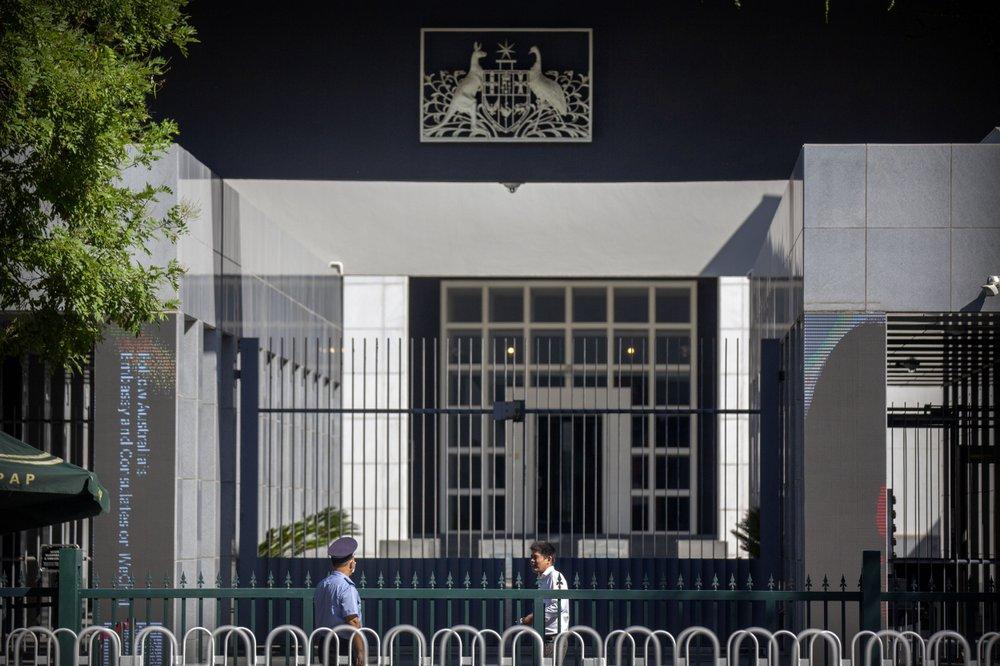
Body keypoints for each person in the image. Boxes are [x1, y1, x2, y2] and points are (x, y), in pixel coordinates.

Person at [314, 537, 365, 666]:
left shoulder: (323, 584)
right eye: (354, 558)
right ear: (351, 563)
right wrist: (360, 650)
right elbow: (353, 620)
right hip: (342, 645)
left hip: (324, 643)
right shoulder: (346, 587)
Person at [518, 540, 570, 660]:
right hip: (545, 637)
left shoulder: (555, 577)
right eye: (531, 557)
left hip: (554, 638)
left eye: (535, 557)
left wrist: (533, 617)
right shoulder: (543, 579)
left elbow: (558, 605)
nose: (532, 560)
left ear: (548, 559)